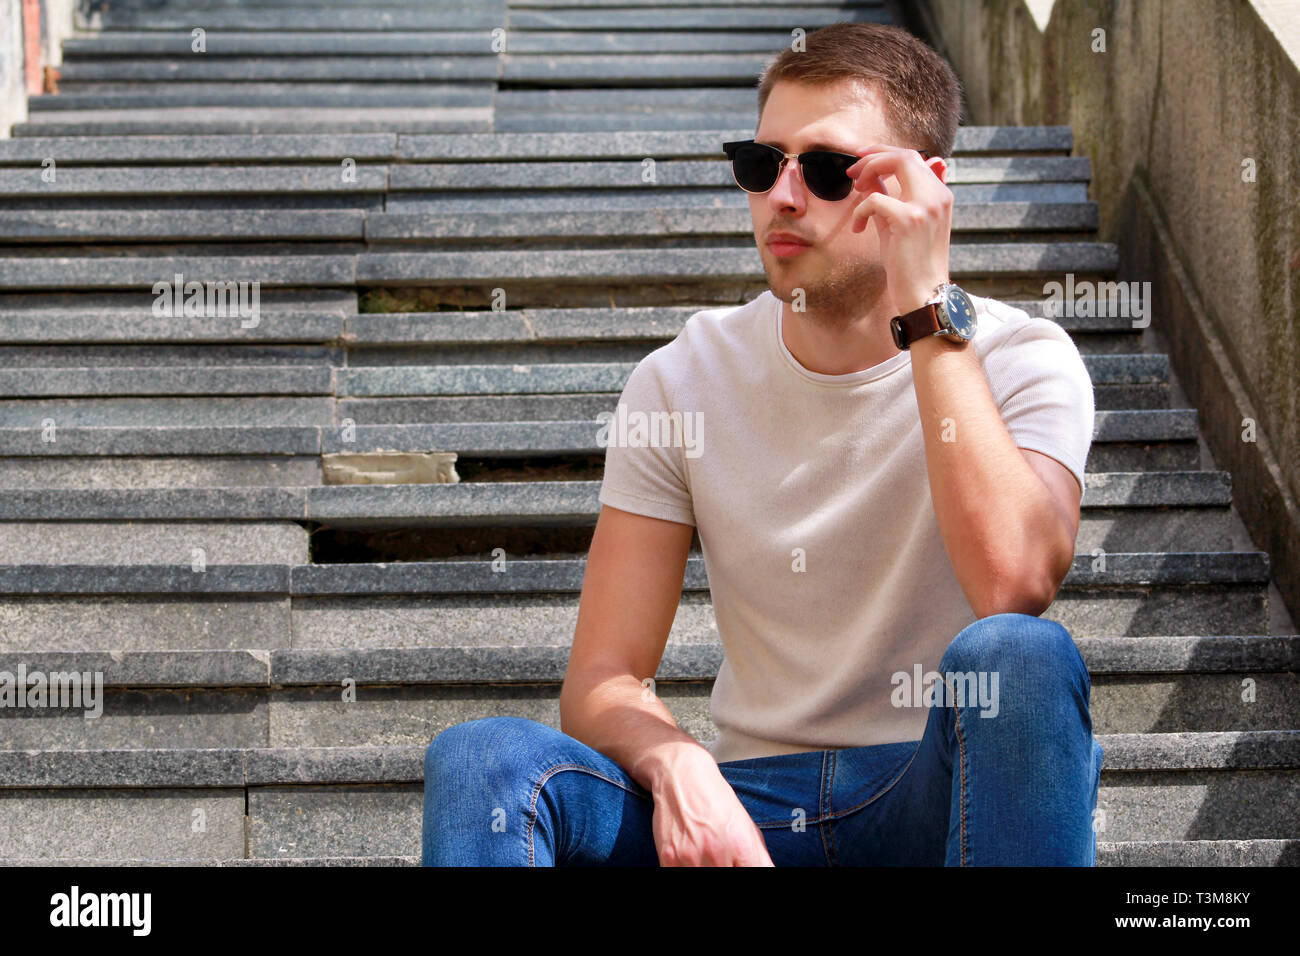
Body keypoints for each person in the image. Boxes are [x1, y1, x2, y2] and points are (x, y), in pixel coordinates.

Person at [423, 20, 1104, 866]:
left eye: (826, 170)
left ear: (924, 191)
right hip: (747, 810)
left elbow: (1013, 583)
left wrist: (927, 304)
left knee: (1021, 659)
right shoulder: (680, 381)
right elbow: (603, 678)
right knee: (483, 760)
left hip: (932, 799)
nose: (784, 196)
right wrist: (677, 764)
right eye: (761, 164)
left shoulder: (1017, 359)